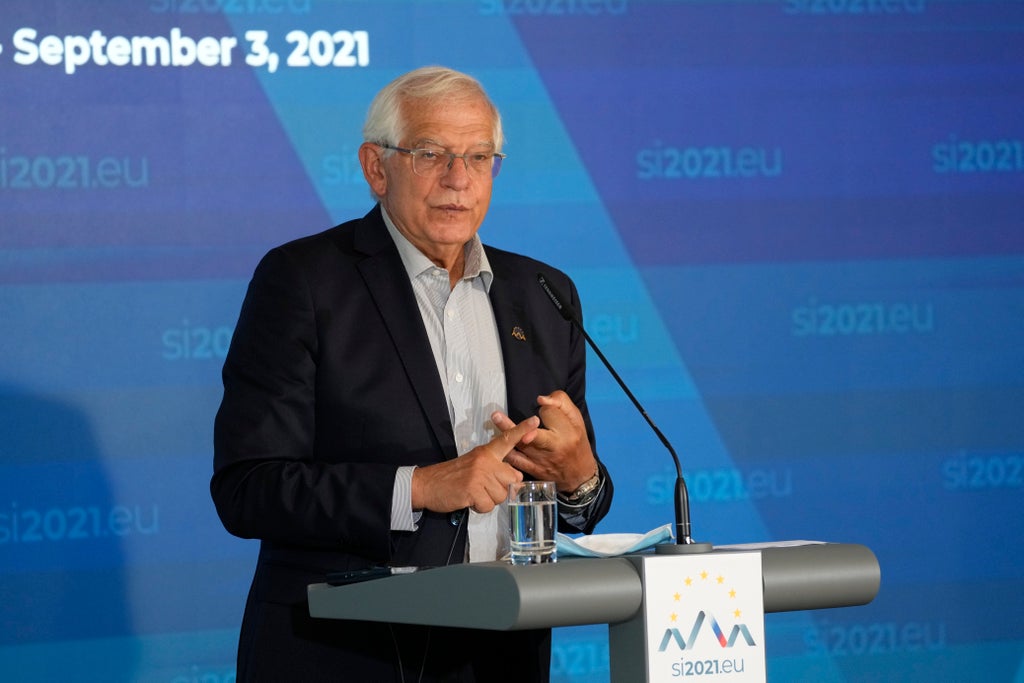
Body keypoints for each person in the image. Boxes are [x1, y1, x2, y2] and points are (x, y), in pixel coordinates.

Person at [211, 65, 614, 682]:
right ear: (376, 168)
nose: (458, 179)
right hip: (346, 655)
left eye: (479, 157)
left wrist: (580, 478)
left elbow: (581, 506)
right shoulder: (304, 282)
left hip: (501, 659)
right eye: (431, 154)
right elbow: (249, 489)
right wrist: (420, 487)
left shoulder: (543, 293)